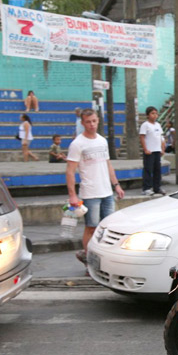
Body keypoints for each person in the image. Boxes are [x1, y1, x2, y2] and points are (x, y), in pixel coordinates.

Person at [66, 109, 125, 265]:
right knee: (91, 228)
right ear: (82, 122)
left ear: (98, 120)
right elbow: (70, 171)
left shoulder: (102, 141)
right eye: (88, 121)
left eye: (94, 121)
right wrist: (72, 195)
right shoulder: (77, 144)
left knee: (109, 228)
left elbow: (108, 165)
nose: (91, 124)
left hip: (107, 192)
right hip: (90, 193)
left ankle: (106, 260)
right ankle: (89, 260)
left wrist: (116, 185)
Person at [139, 106, 166, 196]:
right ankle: (146, 188)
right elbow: (142, 137)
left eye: (156, 113)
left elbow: (161, 138)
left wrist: (162, 149)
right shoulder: (145, 125)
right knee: (148, 169)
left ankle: (157, 187)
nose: (155, 115)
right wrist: (145, 149)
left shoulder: (158, 125)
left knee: (157, 170)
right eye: (152, 113)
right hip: (149, 151)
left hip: (157, 150)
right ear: (148, 115)